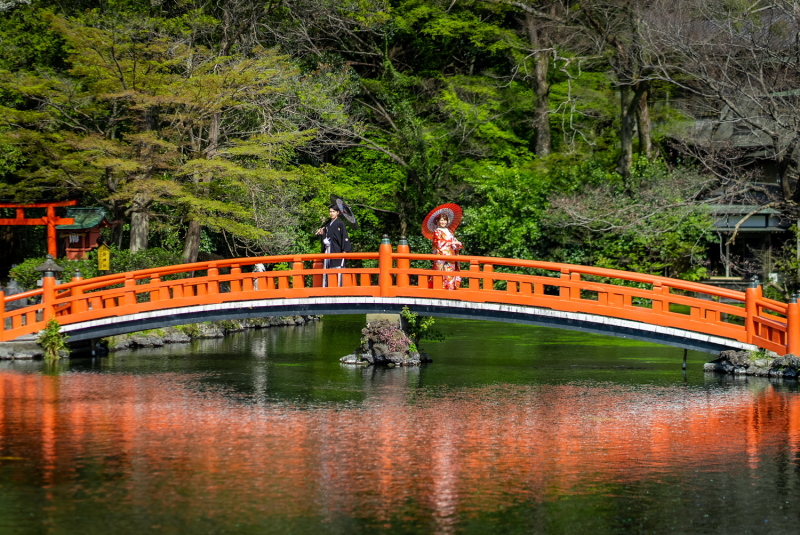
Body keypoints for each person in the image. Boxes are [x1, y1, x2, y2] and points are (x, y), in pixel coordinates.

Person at [315, 205, 351, 286]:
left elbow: (344, 236)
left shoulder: (340, 223)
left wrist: (345, 250)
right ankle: (327, 286)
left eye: (333, 211)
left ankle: (339, 287)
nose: (331, 213)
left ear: (338, 213)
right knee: (327, 267)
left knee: (337, 267)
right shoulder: (328, 225)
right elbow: (326, 236)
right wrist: (322, 234)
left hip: (337, 249)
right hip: (328, 249)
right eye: (330, 211)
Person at [430, 213, 462, 290]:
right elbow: (438, 243)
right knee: (442, 272)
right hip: (442, 255)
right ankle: (441, 288)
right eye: (441, 220)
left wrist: (457, 243)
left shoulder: (450, 232)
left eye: (445, 220)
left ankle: (450, 288)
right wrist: (451, 243)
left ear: (447, 221)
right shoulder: (437, 231)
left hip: (451, 255)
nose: (443, 222)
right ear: (437, 221)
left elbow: (454, 241)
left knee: (451, 272)